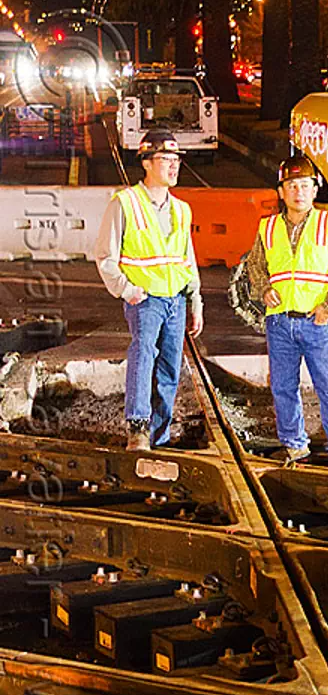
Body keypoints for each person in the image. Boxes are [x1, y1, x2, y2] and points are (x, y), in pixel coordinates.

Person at [95, 128, 203, 452]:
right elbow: (105, 256)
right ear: (146, 163)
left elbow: (188, 258)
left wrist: (194, 300)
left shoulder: (182, 209)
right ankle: (138, 428)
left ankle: (160, 435)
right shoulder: (125, 203)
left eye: (176, 160)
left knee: (169, 367)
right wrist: (127, 290)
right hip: (144, 299)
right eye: (166, 159)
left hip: (175, 300)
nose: (174, 166)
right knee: (143, 357)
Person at [244, 153, 328, 468]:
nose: (298, 192)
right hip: (279, 323)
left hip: (315, 321)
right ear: (281, 191)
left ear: (314, 189)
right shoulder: (268, 228)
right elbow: (255, 264)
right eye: (291, 185)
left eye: (304, 185)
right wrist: (264, 290)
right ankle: (295, 447)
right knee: (283, 388)